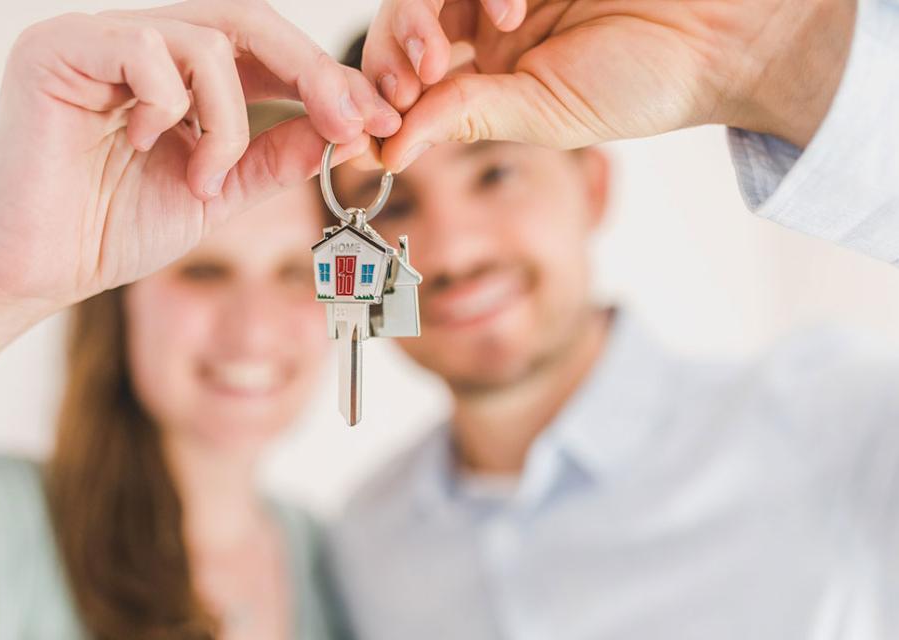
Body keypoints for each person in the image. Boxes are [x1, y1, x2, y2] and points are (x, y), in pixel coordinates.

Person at [0, 0, 402, 637]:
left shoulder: (334, 563)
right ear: (121, 303)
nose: (253, 328)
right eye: (204, 272)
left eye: (291, 274)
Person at [327, 0, 899, 635]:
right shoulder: (362, 544)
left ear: (592, 188)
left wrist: (778, 55)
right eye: (391, 206)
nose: (452, 253)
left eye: (494, 173)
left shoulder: (832, 419)